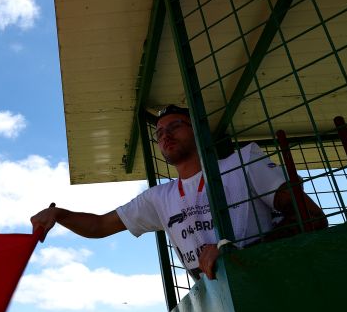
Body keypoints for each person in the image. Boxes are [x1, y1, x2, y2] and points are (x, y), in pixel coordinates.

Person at [31, 105, 327, 280]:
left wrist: (238, 255)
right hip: (215, 302)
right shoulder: (158, 197)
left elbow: (311, 218)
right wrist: (60, 214)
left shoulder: (244, 160)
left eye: (175, 126)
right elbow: (99, 226)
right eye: (159, 134)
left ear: (198, 130)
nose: (165, 135)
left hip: (271, 282)